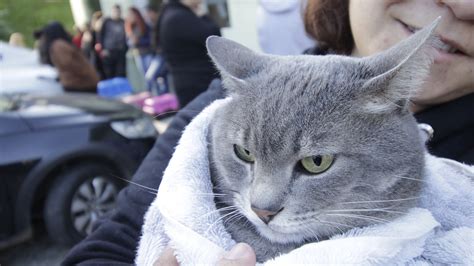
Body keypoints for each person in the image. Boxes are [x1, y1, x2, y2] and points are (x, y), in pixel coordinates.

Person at [62, 0, 473, 264]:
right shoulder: (227, 105)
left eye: (316, 160)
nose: (263, 203)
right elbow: (103, 250)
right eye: (245, 155)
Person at [157, 0, 221, 107]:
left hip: (189, 82)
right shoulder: (179, 17)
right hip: (197, 84)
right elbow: (214, 38)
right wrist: (204, 16)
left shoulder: (172, 14)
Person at [34, 21, 99, 93]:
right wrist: (86, 72)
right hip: (80, 83)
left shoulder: (57, 45)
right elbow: (70, 64)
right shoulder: (59, 46)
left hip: (77, 82)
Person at [98, 4, 127, 79]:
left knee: (121, 72)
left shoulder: (123, 22)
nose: (117, 13)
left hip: (120, 51)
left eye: (118, 11)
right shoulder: (107, 22)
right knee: (110, 72)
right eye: (115, 11)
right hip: (108, 51)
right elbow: (100, 35)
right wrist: (102, 49)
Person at [125, 7, 154, 74]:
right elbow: (128, 42)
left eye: (131, 14)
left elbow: (151, 40)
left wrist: (139, 41)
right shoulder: (129, 27)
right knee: (145, 76)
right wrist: (131, 42)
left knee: (150, 76)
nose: (129, 16)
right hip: (138, 54)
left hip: (147, 53)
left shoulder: (144, 25)